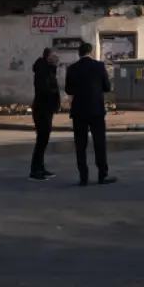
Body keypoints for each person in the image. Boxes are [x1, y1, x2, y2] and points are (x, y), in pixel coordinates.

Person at [64, 42, 116, 186]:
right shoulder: (99, 66)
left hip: (79, 111)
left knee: (80, 145)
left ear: (79, 54)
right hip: (96, 110)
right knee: (99, 143)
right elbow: (107, 86)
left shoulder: (72, 68)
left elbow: (68, 90)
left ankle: (83, 177)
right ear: (91, 52)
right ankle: (102, 175)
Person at [29, 49, 61, 181]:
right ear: (48, 57)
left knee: (43, 139)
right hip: (42, 108)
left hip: (45, 108)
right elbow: (46, 88)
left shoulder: (47, 69)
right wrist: (54, 95)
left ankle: (40, 168)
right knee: (42, 139)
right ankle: (35, 171)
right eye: (54, 56)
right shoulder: (43, 70)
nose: (57, 59)